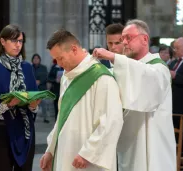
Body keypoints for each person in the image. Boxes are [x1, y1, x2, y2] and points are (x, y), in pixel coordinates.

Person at [92, 19, 176, 171]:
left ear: (144, 39)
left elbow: (144, 77)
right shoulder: (124, 68)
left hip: (152, 143)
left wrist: (113, 57)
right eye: (122, 38)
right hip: (128, 142)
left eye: (128, 38)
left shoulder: (158, 67)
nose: (124, 43)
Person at [40, 29, 123, 171]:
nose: (59, 64)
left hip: (87, 159)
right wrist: (51, 150)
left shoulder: (102, 77)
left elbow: (111, 121)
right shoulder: (67, 77)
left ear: (73, 49)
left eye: (60, 58)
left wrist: (88, 153)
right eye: (56, 60)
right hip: (65, 151)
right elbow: (62, 117)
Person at [0, 24, 40, 171]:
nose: (18, 45)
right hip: (1, 132)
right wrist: (8, 104)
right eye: (13, 41)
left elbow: (33, 98)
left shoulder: (27, 68)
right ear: (3, 42)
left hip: (25, 131)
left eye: (20, 41)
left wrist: (34, 105)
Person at [31, 53, 49, 123]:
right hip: (33, 89)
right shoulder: (30, 67)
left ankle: (45, 118)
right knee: (33, 104)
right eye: (34, 58)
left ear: (39, 60)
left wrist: (40, 81)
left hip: (41, 88)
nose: (35, 60)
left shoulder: (43, 67)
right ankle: (32, 117)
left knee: (44, 103)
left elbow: (45, 76)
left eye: (37, 58)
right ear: (32, 60)